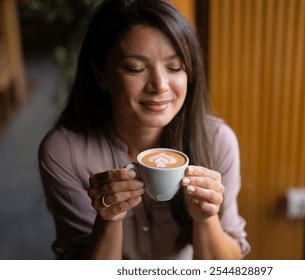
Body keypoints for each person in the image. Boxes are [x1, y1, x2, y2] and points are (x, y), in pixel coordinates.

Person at [38, 0, 250, 260]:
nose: (159, 85)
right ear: (100, 74)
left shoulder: (217, 141)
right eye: (136, 68)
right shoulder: (64, 152)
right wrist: (108, 220)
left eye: (174, 67)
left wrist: (206, 219)